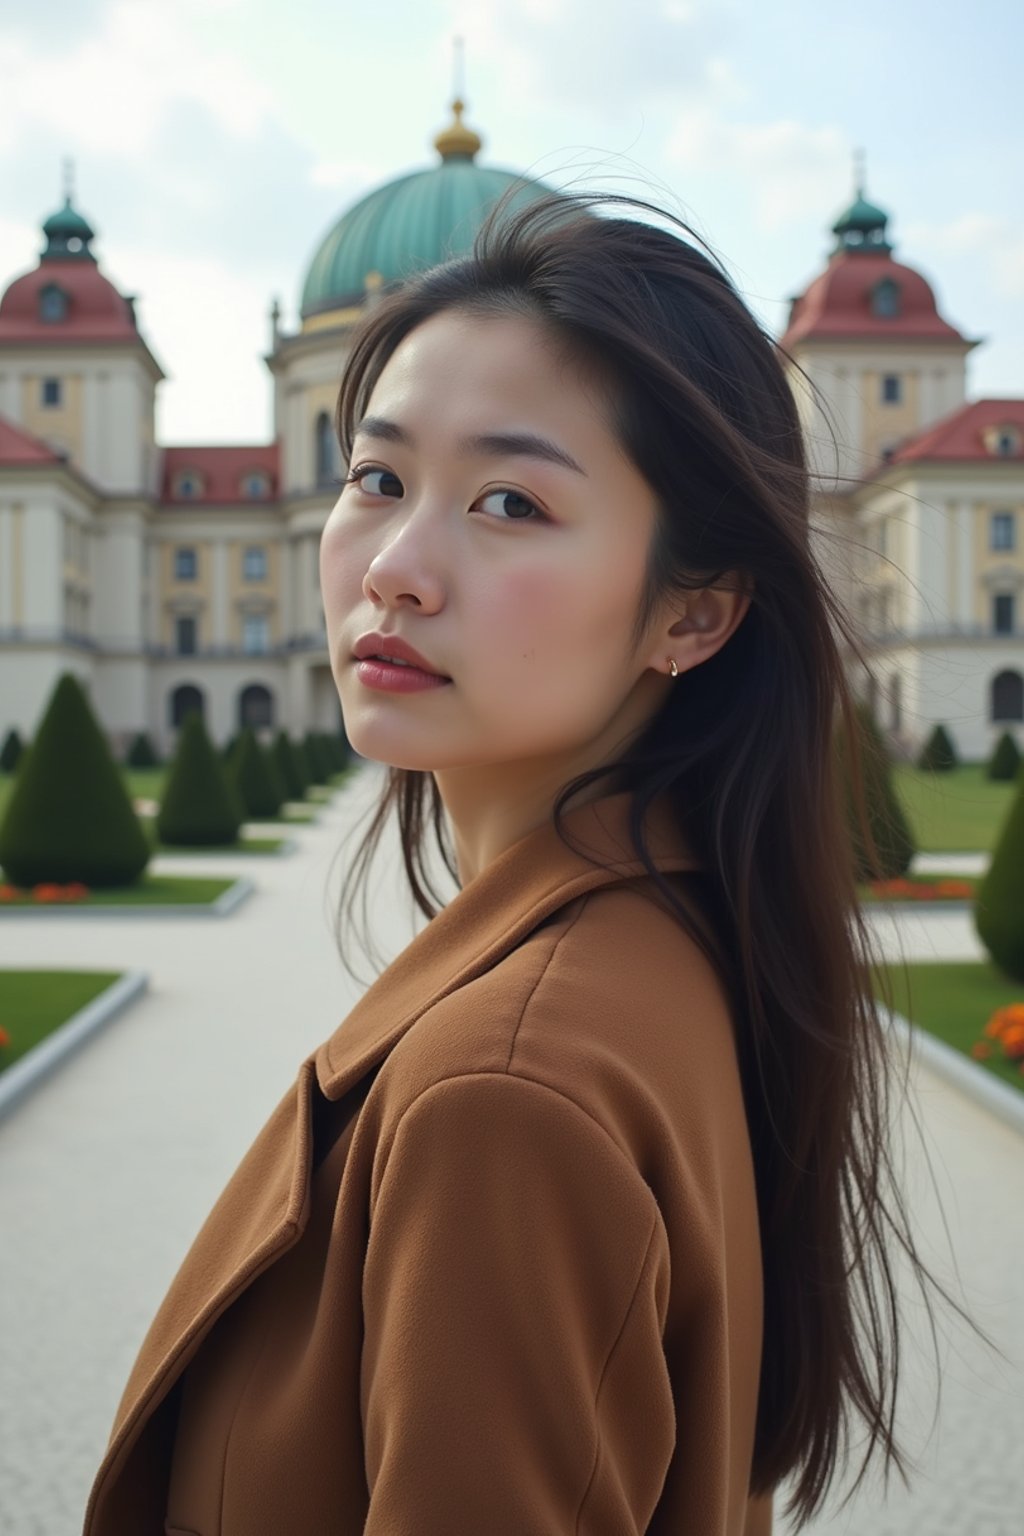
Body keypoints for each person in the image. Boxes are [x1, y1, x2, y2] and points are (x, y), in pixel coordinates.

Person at [83, 187, 962, 1536]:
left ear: (696, 609)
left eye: (508, 501)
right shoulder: (680, 934)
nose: (395, 569)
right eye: (374, 478)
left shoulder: (498, 1095)